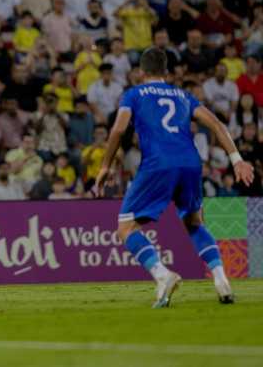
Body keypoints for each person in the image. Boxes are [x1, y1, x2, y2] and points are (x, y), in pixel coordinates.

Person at [93, 48, 254, 308]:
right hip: (191, 163)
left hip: (158, 164)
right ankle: (221, 279)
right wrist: (237, 160)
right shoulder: (183, 95)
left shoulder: (133, 94)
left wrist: (104, 166)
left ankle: (162, 274)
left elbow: (118, 129)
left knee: (126, 227)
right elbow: (216, 124)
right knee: (194, 223)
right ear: (167, 73)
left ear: (141, 72)